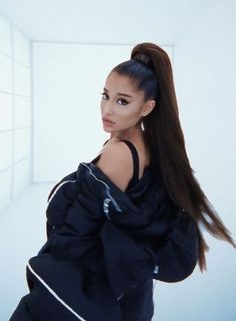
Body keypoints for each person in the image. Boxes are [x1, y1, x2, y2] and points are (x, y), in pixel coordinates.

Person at [9, 42, 235, 321]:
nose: (107, 109)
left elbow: (74, 239)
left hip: (84, 291)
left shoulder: (119, 153)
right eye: (105, 96)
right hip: (128, 293)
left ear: (147, 107)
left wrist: (46, 274)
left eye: (122, 101)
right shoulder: (150, 146)